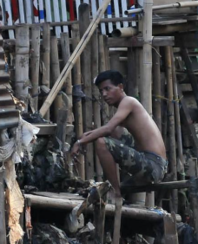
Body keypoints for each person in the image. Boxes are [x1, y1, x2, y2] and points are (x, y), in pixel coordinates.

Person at [70, 70, 168, 199]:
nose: (104, 94)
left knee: (102, 142)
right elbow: (111, 129)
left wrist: (80, 142)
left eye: (107, 89)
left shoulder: (129, 102)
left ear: (120, 87)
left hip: (154, 166)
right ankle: (116, 187)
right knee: (116, 131)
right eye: (101, 91)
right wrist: (85, 136)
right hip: (152, 163)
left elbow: (108, 129)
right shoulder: (125, 106)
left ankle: (115, 193)